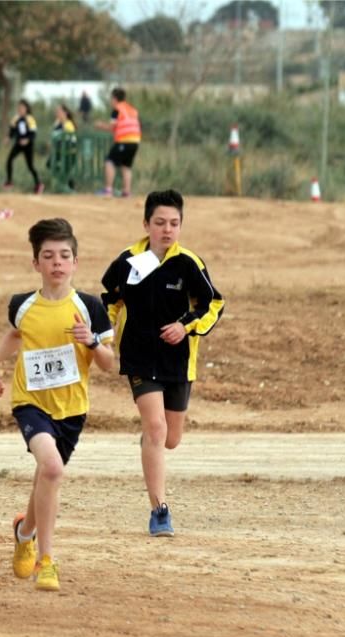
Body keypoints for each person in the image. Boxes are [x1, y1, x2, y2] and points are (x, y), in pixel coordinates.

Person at [0, 218, 115, 592]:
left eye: (64, 255)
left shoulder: (89, 307)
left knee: (46, 475)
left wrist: (91, 342)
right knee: (53, 469)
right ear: (36, 263)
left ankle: (24, 532)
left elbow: (110, 363)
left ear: (75, 262)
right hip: (30, 403)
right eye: (48, 256)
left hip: (72, 409)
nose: (57, 262)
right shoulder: (22, 305)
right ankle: (47, 560)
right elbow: (15, 335)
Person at [100, 190, 225, 537]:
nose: (167, 229)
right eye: (160, 223)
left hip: (178, 362)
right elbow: (109, 300)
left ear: (181, 225)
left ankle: (151, 439)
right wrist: (105, 331)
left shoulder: (188, 263)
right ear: (146, 224)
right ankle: (159, 510)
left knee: (170, 438)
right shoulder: (127, 261)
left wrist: (185, 327)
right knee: (156, 429)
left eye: (174, 223)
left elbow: (213, 304)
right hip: (139, 357)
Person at [95, 87, 141, 197]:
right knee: (126, 166)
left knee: (109, 162)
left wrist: (100, 125)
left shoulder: (117, 109)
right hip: (135, 141)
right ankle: (126, 191)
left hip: (124, 140)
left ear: (114, 98)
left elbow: (112, 126)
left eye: (111, 98)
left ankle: (108, 190)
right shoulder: (132, 109)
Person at [3, 99, 42, 194]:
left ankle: (38, 184)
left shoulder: (30, 119)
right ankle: (9, 181)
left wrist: (27, 140)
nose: (20, 110)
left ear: (26, 109)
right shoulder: (16, 118)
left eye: (22, 108)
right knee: (9, 160)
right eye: (19, 108)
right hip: (18, 144)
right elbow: (12, 130)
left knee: (30, 166)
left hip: (28, 145)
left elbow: (33, 133)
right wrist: (8, 138)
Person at [48, 104, 78, 191]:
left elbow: (68, 138)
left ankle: (69, 187)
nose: (57, 113)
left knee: (64, 171)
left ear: (65, 113)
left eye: (59, 111)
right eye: (57, 111)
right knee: (51, 165)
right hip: (59, 152)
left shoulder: (68, 124)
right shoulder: (57, 124)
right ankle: (66, 186)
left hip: (69, 153)